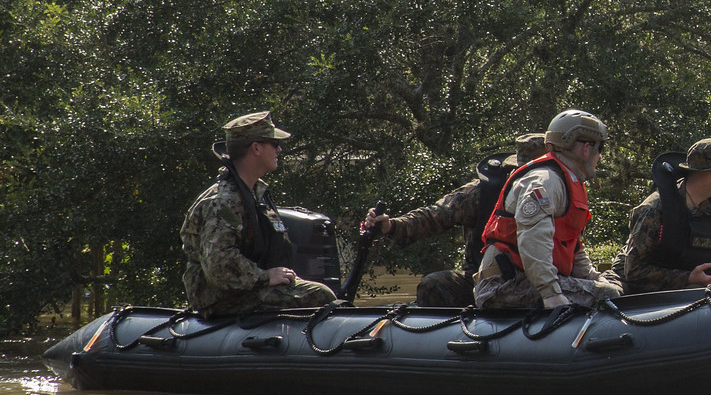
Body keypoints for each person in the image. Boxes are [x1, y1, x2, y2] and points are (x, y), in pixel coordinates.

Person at [360, 132, 546, 307]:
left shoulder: (562, 192)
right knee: (433, 284)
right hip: (486, 278)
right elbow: (436, 214)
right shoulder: (484, 192)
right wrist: (392, 225)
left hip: (543, 279)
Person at [180, 111, 337, 316]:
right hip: (222, 298)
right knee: (320, 296)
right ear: (256, 148)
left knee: (321, 292)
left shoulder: (255, 194)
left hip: (247, 289)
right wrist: (264, 277)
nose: (279, 149)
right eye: (274, 144)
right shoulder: (223, 202)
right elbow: (219, 265)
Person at [474, 109, 622, 310]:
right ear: (586, 148)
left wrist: (593, 277)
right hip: (504, 284)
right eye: (600, 147)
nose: (600, 156)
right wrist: (551, 293)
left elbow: (570, 244)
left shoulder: (567, 179)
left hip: (524, 279)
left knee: (611, 287)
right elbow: (532, 239)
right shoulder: (546, 181)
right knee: (608, 294)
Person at [616, 138, 711, 294]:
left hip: (696, 292)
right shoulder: (655, 209)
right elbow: (634, 272)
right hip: (639, 293)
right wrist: (688, 278)